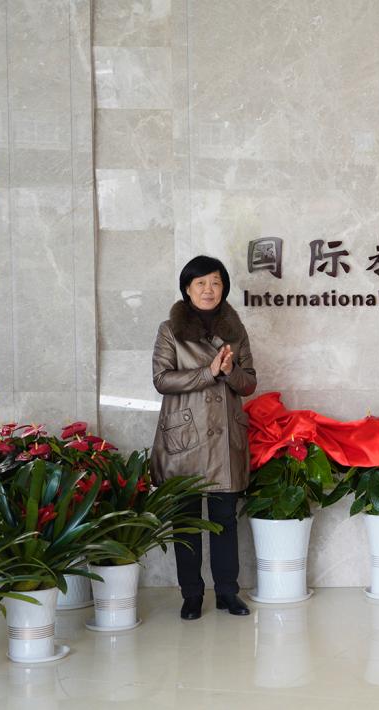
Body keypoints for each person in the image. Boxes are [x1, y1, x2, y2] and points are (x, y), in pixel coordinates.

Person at [151, 255, 257, 620]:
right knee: (187, 523)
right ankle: (192, 595)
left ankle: (228, 593)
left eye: (215, 282)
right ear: (187, 289)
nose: (209, 289)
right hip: (186, 439)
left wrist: (230, 371)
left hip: (225, 439)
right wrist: (208, 372)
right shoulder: (170, 330)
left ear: (223, 287)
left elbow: (249, 383)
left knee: (225, 520)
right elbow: (162, 380)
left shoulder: (236, 330)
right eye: (201, 283)